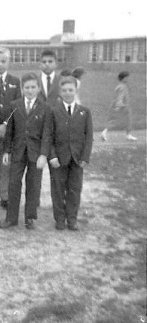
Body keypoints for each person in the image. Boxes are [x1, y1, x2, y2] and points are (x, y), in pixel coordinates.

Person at [0, 73, 51, 230]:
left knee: (33, 185)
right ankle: (11, 218)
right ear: (22, 89)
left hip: (35, 153)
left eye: (33, 87)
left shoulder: (45, 107)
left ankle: (30, 217)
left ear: (38, 88)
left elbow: (47, 133)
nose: (30, 90)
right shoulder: (14, 105)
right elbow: (9, 131)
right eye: (27, 87)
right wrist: (7, 151)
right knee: (14, 183)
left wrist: (43, 154)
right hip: (18, 151)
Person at [49, 76, 93, 231]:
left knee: (75, 189)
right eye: (64, 90)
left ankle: (72, 219)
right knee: (58, 190)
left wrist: (85, 157)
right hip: (59, 159)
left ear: (76, 91)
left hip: (77, 158)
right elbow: (49, 136)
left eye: (71, 90)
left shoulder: (84, 112)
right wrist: (52, 156)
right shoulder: (54, 111)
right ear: (60, 92)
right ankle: (59, 219)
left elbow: (88, 136)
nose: (67, 93)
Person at [0, 47, 21, 211]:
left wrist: (6, 125)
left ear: (8, 62)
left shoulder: (16, 81)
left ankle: (5, 197)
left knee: (6, 165)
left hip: (9, 131)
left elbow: (18, 106)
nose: (0, 64)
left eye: (3, 61)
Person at [101, 71, 137, 141]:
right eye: (126, 77)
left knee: (120, 120)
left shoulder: (121, 86)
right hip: (122, 106)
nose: (127, 79)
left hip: (121, 106)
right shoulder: (122, 87)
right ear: (123, 78)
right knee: (123, 120)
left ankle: (128, 134)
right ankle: (127, 135)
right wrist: (119, 105)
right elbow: (120, 97)